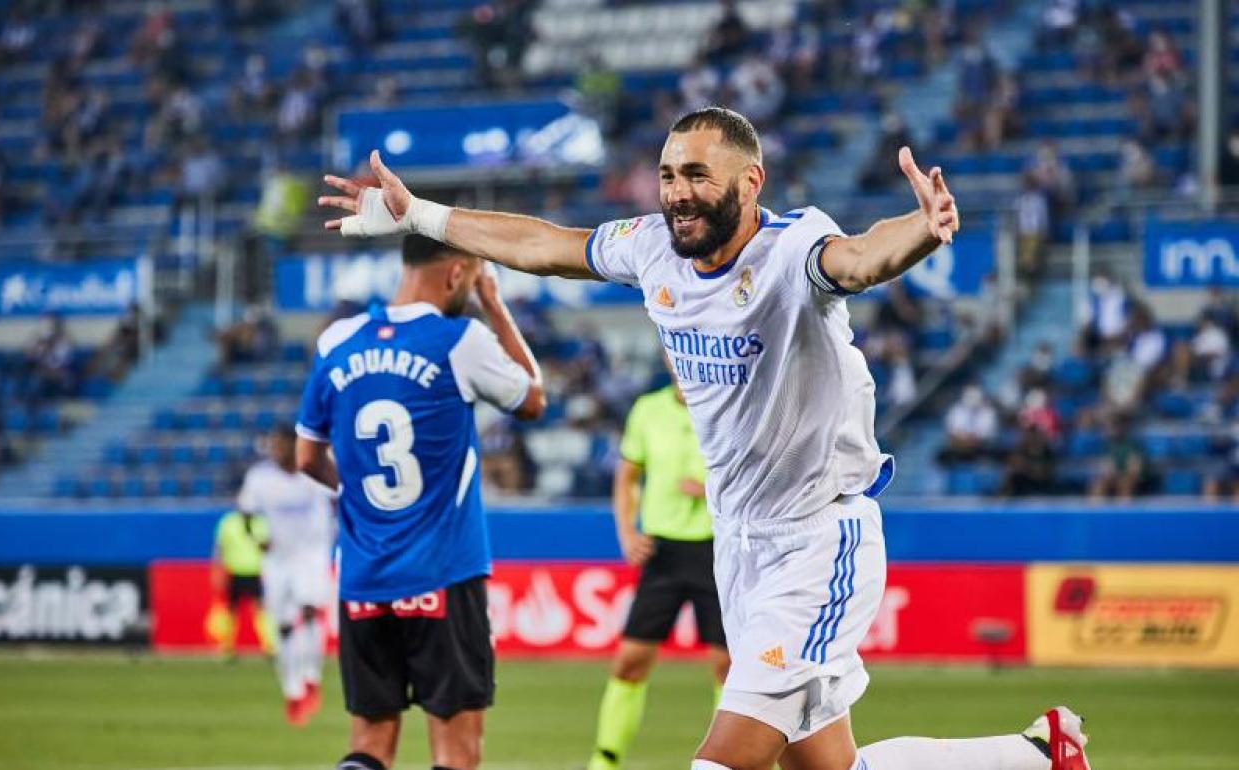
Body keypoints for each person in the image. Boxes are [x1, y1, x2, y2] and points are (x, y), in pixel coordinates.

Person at [319, 106, 1090, 770]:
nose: (678, 192)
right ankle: (1036, 753)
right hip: (741, 549)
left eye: (696, 174)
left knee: (720, 761)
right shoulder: (654, 247)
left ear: (750, 183)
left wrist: (923, 229)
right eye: (667, 174)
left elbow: (858, 258)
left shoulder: (791, 251)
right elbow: (544, 246)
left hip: (819, 540)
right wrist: (420, 214)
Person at [294, 234, 546, 770]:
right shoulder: (459, 340)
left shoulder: (337, 339)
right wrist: (495, 307)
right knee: (457, 750)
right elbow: (532, 398)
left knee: (368, 745)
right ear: (458, 275)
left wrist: (357, 490)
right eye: (474, 275)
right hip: (443, 576)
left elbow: (305, 457)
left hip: (363, 578)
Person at [587, 376, 728, 770]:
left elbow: (759, 470)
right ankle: (605, 759)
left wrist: (714, 489)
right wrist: (627, 532)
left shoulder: (728, 402)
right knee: (630, 660)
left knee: (728, 665)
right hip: (663, 551)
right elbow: (627, 477)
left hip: (715, 549)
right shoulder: (648, 409)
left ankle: (730, 759)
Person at [238, 424, 337, 726]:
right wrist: (257, 539)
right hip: (278, 559)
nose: (275, 451)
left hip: (311, 555)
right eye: (273, 445)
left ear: (295, 446)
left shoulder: (316, 471)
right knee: (282, 627)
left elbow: (339, 500)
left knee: (308, 614)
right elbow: (245, 513)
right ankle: (292, 689)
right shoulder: (260, 478)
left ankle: (311, 677)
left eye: (281, 445)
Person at [210, 507, 274, 659]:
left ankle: (269, 646)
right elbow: (219, 548)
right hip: (234, 571)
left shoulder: (260, 523)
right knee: (231, 610)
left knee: (260, 609)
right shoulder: (228, 523)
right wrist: (217, 570)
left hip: (255, 571)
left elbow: (268, 547)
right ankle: (226, 646)